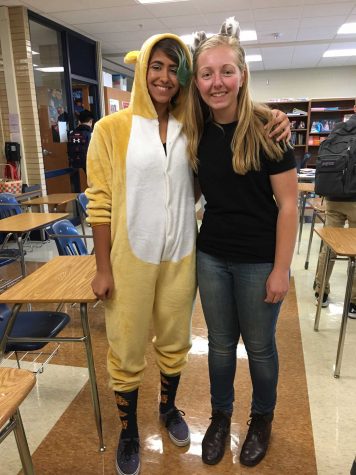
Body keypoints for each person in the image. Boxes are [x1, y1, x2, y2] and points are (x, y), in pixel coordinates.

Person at [85, 31, 291, 475]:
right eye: (155, 67)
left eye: (172, 70)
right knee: (147, 346)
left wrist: (272, 113)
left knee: (206, 344)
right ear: (143, 70)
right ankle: (142, 430)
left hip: (203, 257)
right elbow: (102, 201)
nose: (164, 78)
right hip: (156, 258)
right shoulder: (121, 129)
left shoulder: (198, 126)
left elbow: (286, 198)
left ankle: (202, 413)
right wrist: (102, 267)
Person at [183, 18, 298, 468]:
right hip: (211, 256)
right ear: (198, 82)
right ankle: (219, 417)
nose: (217, 82)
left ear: (242, 74)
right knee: (218, 344)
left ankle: (262, 419)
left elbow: (288, 206)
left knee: (262, 347)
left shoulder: (268, 128)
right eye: (207, 73)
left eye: (226, 71)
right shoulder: (195, 130)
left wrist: (281, 269)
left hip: (258, 261)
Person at [314, 106, 356, 318]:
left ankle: (321, 291)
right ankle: (354, 302)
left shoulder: (338, 130)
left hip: (333, 197)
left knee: (329, 245)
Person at [68, 109, 94, 174]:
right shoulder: (91, 134)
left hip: (76, 163)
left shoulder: (72, 133)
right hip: (90, 164)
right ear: (90, 121)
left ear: (79, 121)